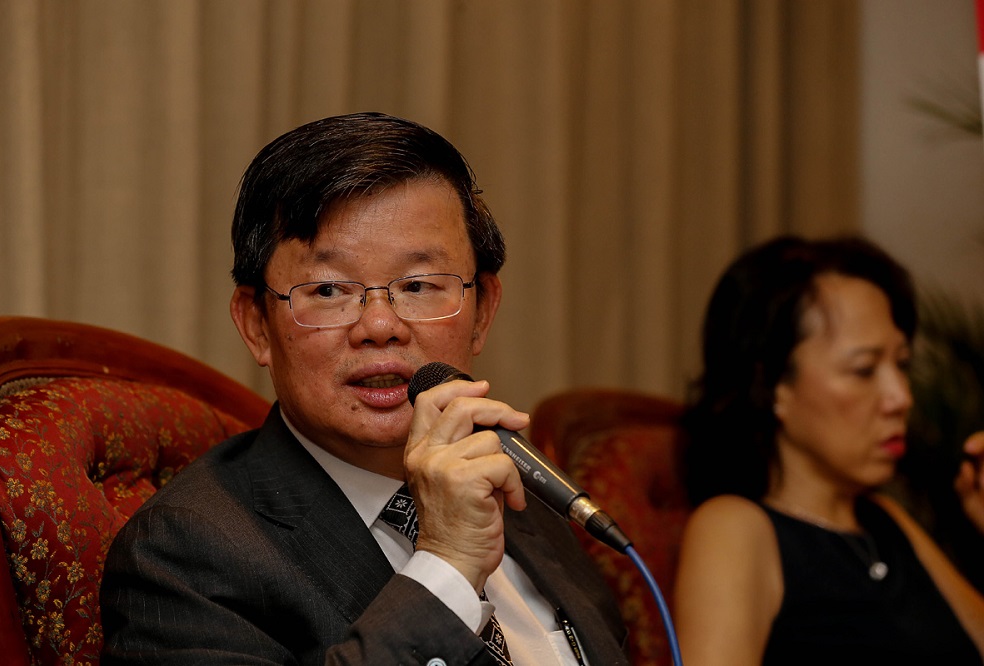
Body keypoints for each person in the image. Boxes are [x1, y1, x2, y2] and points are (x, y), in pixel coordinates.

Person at [99, 112, 628, 665]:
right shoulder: (188, 556)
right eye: (328, 289)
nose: (380, 325)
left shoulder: (521, 500)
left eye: (420, 285)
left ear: (483, 312)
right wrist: (446, 566)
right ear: (256, 324)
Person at [673, 235, 984, 665]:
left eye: (902, 364)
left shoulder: (885, 521)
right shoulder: (735, 528)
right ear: (774, 387)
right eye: (863, 370)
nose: (901, 397)